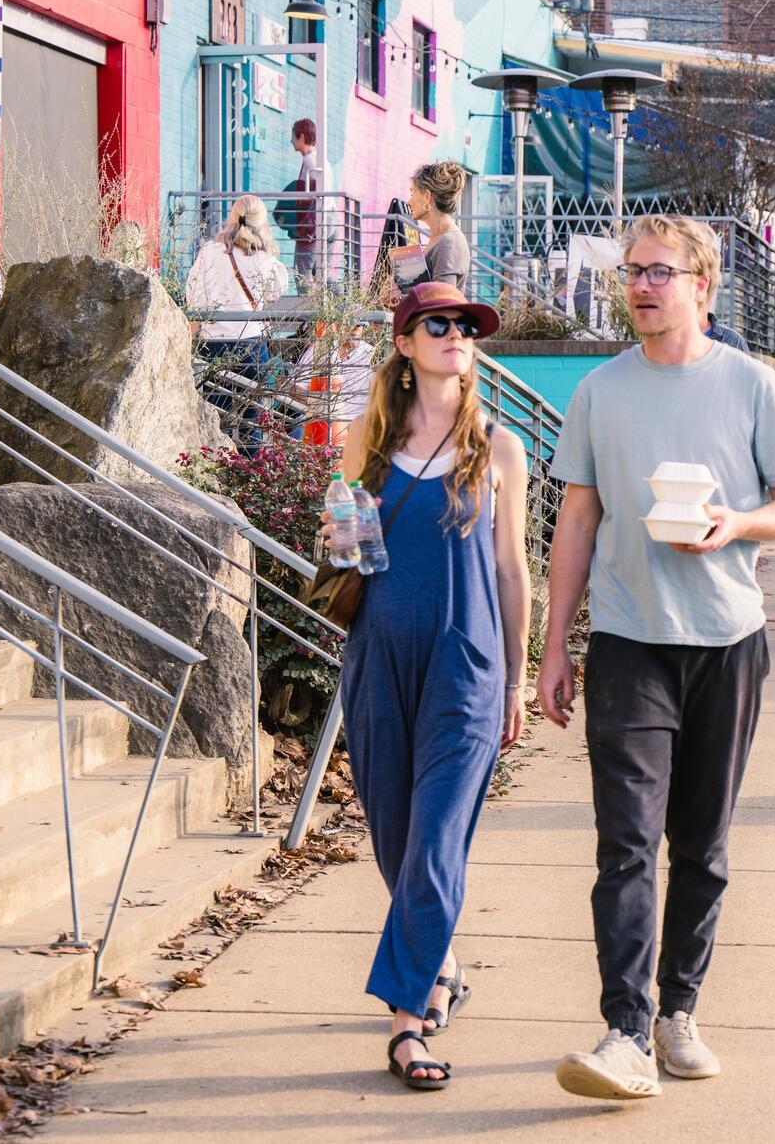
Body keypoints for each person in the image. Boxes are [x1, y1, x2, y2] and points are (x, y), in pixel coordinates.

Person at [538, 215, 775, 1100]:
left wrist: (737, 524)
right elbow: (577, 519)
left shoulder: (752, 385)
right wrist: (554, 645)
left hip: (727, 640)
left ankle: (677, 1013)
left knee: (701, 844)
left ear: (702, 284)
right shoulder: (600, 391)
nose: (640, 286)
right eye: (631, 271)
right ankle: (624, 1029)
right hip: (628, 642)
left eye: (658, 272)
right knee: (625, 841)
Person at [328, 281, 531, 1091]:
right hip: (379, 656)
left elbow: (511, 571)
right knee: (395, 836)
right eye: (437, 324)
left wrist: (515, 680)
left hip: (468, 665)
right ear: (405, 345)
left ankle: (406, 1022)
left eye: (466, 327)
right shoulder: (368, 440)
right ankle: (439, 961)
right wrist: (338, 533)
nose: (455, 335)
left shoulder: (500, 448)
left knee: (438, 838)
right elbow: (348, 551)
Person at [186, 196, 291, 451]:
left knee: (215, 419)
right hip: (252, 345)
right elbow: (276, 292)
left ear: (232, 218)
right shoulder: (264, 257)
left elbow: (195, 298)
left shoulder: (211, 252)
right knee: (252, 422)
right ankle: (250, 468)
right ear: (262, 222)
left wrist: (190, 339)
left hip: (214, 344)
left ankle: (216, 468)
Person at [293, 322, 377, 445]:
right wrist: (321, 406)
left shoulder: (370, 353)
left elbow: (381, 394)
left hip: (356, 422)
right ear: (336, 326)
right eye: (349, 323)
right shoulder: (319, 349)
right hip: (319, 415)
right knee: (300, 425)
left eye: (360, 325)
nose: (355, 329)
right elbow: (296, 388)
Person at [410, 161, 471, 290]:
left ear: (427, 197)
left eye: (412, 194)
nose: (409, 202)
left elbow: (441, 301)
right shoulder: (439, 238)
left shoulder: (448, 244)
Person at [281, 119, 321, 279]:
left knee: (302, 276)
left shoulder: (309, 161)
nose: (291, 141)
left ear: (302, 137)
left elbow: (309, 197)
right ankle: (342, 297)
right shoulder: (320, 160)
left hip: (312, 226)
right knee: (322, 276)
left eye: (293, 137)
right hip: (327, 221)